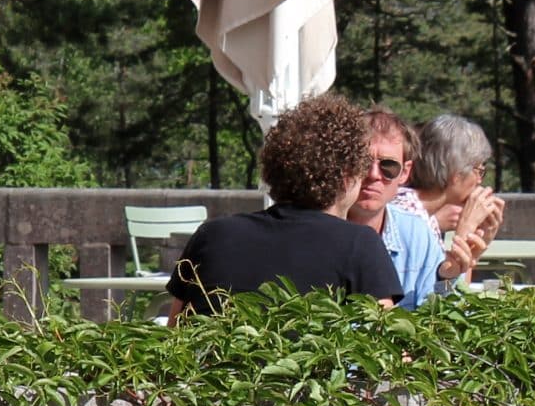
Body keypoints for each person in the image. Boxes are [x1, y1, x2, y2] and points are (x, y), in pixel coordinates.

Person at [165, 93, 402, 315]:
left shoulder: (212, 235)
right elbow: (386, 339)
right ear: (347, 175)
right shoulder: (360, 244)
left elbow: (174, 333)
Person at [349, 108, 441, 304]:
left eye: (388, 166)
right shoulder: (320, 233)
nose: (374, 175)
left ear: (405, 172)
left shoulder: (416, 235)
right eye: (363, 163)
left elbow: (444, 303)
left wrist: (450, 275)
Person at [410, 113, 506, 285]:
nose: (479, 181)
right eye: (479, 171)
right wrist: (464, 231)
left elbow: (454, 291)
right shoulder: (407, 215)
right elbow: (420, 295)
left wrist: (473, 245)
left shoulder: (423, 214)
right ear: (456, 172)